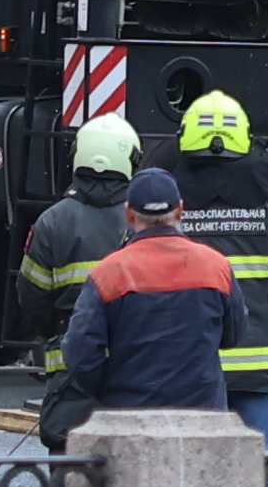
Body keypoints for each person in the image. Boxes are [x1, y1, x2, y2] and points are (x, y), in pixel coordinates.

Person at [168, 90, 268, 445]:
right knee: (257, 471)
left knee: (189, 473)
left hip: (188, 366)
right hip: (259, 367)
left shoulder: (167, 206)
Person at [62, 169, 246, 411]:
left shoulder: (109, 273)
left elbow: (80, 354)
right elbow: (233, 336)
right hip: (203, 416)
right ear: (180, 210)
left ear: (129, 213)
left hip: (130, 413)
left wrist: (113, 390)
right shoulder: (216, 266)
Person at [14, 116, 142, 450]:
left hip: (69, 370)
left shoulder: (52, 221)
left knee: (69, 477)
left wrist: (55, 333)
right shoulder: (142, 221)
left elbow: (31, 296)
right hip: (132, 368)